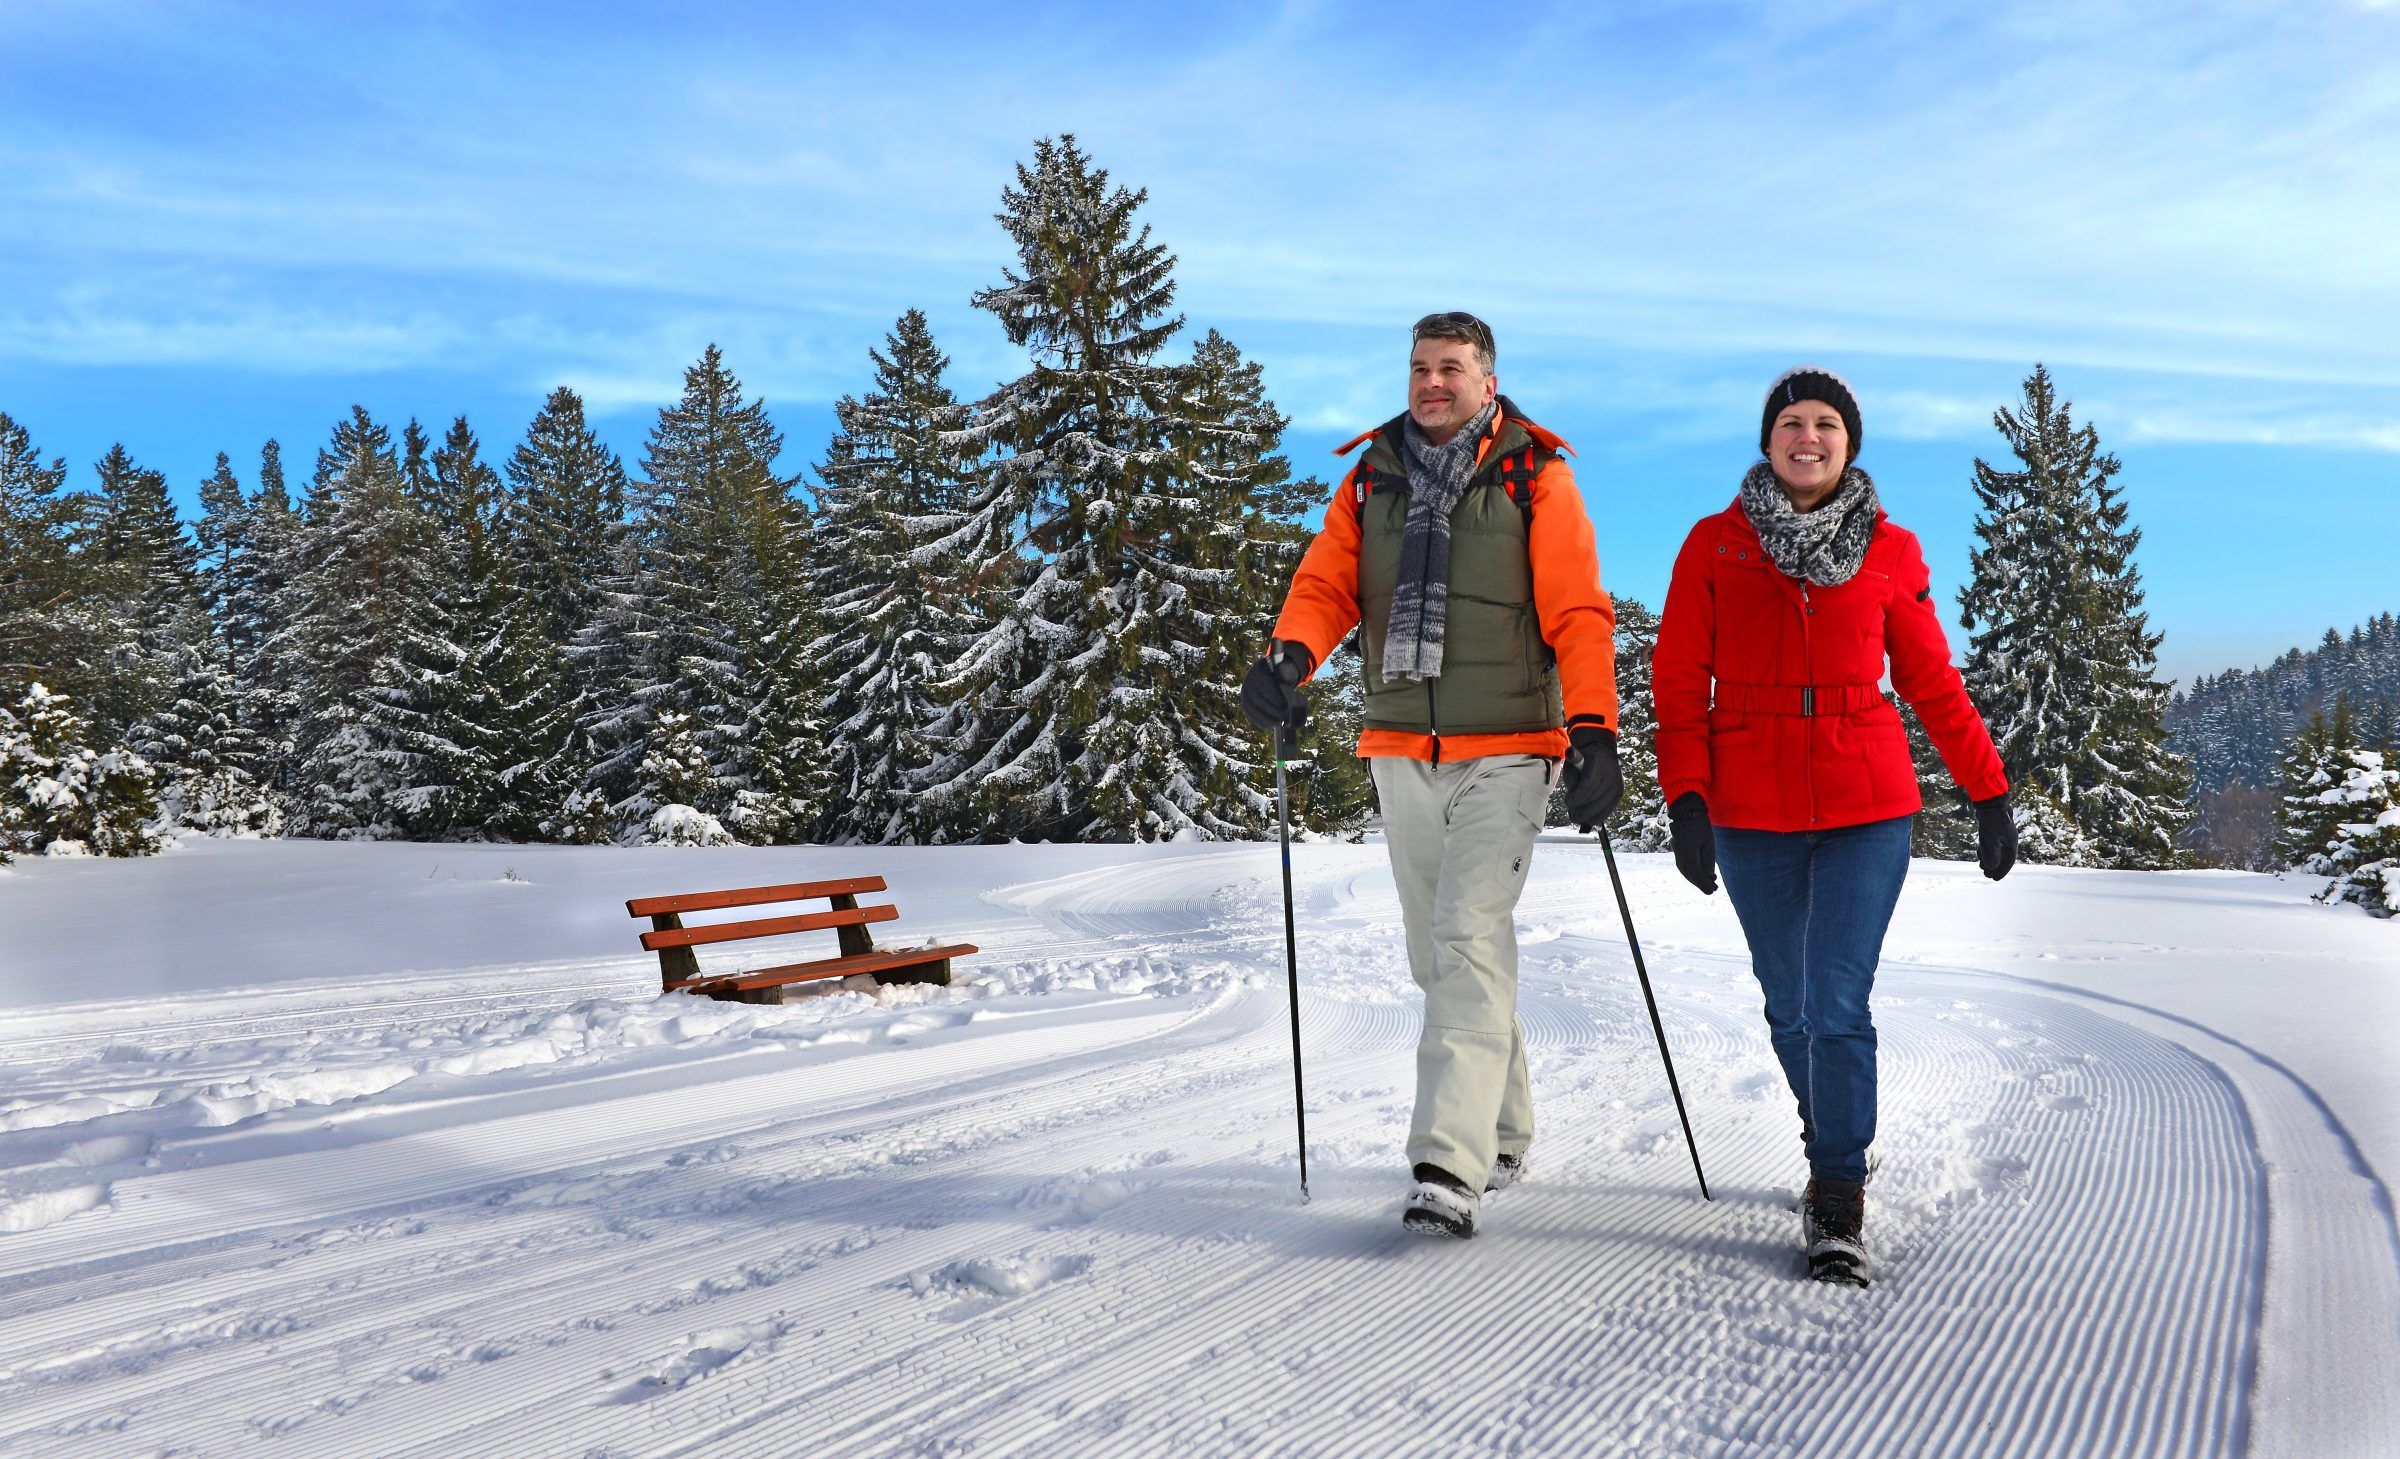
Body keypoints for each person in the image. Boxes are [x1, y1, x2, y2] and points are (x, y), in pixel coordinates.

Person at [1241, 312, 1622, 1239]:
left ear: (1488, 383)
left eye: (1451, 368)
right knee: (1442, 955)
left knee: (1464, 934)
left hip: (1511, 746)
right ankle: (1503, 1125)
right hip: (1403, 746)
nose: (1431, 382)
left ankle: (1447, 1163)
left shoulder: (1538, 477)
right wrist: (1290, 657)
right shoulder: (1374, 477)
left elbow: (1576, 608)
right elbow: (1330, 586)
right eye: (1420, 366)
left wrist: (1595, 728)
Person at [1653, 365, 2017, 1286]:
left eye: (1824, 424)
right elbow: (1677, 678)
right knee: (1788, 1000)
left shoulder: (1890, 549)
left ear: (1849, 443)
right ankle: (1832, 1126)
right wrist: (1685, 796)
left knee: (1836, 1002)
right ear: (1767, 439)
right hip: (1749, 803)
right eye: (1790, 422)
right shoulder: (1715, 545)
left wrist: (1987, 789)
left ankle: (1838, 1188)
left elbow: (1931, 678)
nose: (1806, 436)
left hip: (1867, 803)